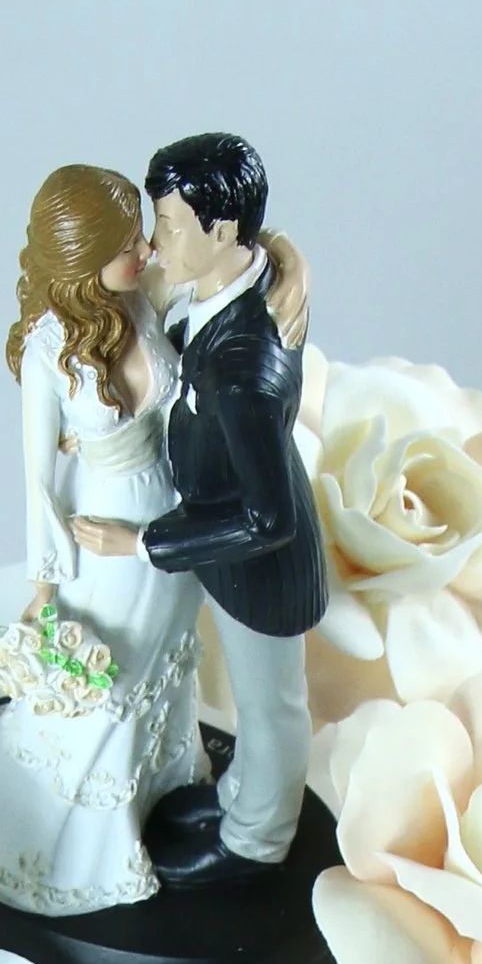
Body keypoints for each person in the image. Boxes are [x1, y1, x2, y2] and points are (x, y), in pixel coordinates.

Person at [0, 164, 206, 915]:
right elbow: (38, 481)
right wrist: (45, 587)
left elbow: (223, 279)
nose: (145, 251)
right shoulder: (50, 351)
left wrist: (288, 265)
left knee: (163, 666)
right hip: (100, 531)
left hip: (167, 520)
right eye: (127, 244)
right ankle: (90, 841)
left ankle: (162, 787)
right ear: (85, 259)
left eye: (141, 237)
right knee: (108, 680)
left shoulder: (145, 298)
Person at [71, 131, 325, 886]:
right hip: (225, 548)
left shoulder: (244, 366)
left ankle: (255, 839)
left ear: (222, 231)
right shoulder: (227, 287)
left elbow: (267, 520)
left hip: (260, 570)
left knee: (269, 704)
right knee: (254, 699)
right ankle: (238, 796)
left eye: (169, 225)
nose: (155, 244)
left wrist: (141, 542)